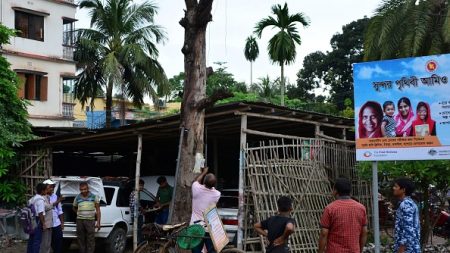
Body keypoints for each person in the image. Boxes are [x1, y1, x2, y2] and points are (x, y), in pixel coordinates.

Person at [318, 178, 368, 253]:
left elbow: (324, 233)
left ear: (335, 191)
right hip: (354, 250)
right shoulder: (361, 208)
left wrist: (320, 251)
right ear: (349, 191)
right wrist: (359, 250)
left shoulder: (330, 208)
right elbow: (364, 232)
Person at [190, 167, 221, 253]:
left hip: (195, 227)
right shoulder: (217, 194)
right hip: (209, 227)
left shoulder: (196, 189)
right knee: (211, 250)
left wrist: (203, 172)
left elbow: (197, 182)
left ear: (204, 182)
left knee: (196, 250)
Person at [393, 178, 420, 253]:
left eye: (396, 186)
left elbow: (408, 229)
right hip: (411, 247)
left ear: (403, 189)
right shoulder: (409, 202)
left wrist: (401, 248)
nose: (393, 188)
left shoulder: (406, 204)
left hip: (408, 249)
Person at [73, 182, 101, 253]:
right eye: (81, 189)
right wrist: (78, 213)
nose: (83, 191)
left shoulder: (94, 197)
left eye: (85, 189)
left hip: (90, 221)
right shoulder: (77, 197)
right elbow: (74, 207)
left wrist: (98, 222)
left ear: (88, 188)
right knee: (80, 238)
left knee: (90, 239)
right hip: (80, 221)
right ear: (80, 189)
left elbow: (98, 210)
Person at [43, 179, 64, 253]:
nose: (52, 188)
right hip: (48, 224)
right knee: (48, 243)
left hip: (56, 223)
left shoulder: (55, 196)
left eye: (53, 186)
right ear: (45, 188)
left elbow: (60, 210)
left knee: (58, 241)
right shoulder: (42, 198)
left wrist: (62, 222)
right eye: (51, 187)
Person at [27, 183, 46, 253]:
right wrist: (43, 224)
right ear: (42, 191)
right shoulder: (40, 200)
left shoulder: (33, 198)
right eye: (45, 190)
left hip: (31, 220)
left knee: (31, 239)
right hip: (37, 221)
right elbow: (41, 213)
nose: (46, 191)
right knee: (37, 241)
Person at [129, 179, 145, 243]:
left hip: (138, 214)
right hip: (136, 215)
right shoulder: (135, 193)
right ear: (137, 185)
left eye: (142, 185)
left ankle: (139, 241)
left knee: (139, 229)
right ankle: (139, 242)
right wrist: (142, 209)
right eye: (141, 185)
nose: (142, 187)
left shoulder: (137, 193)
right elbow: (135, 205)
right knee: (138, 229)